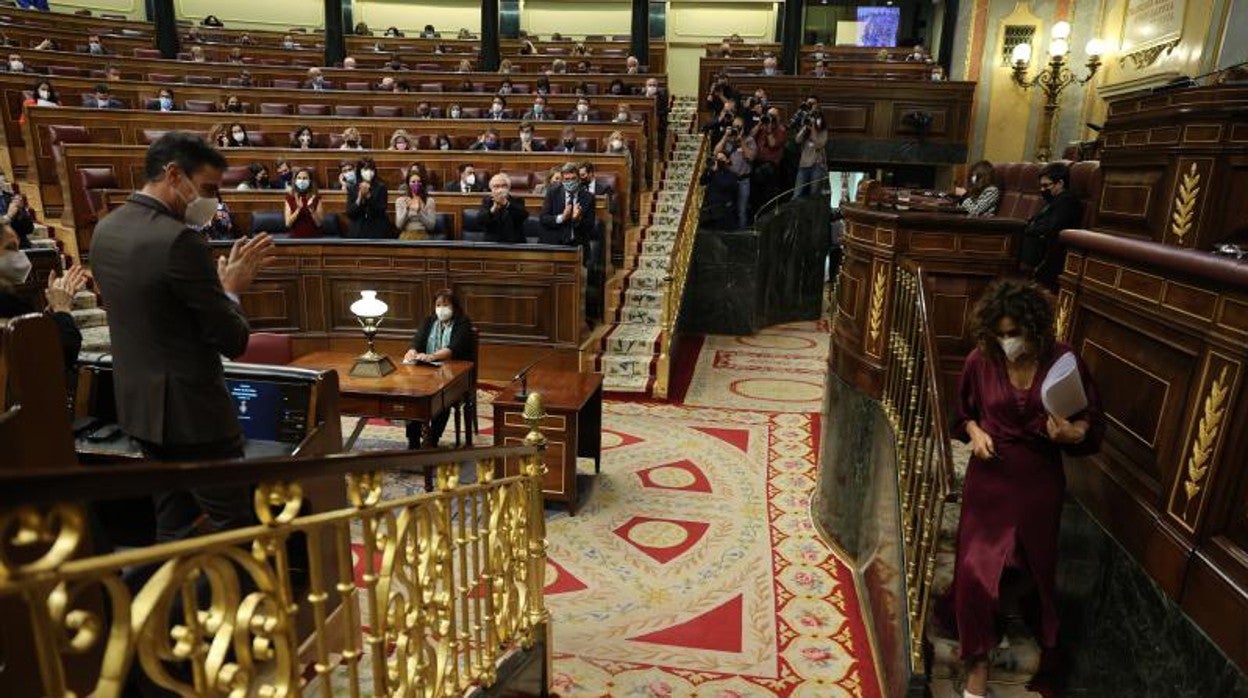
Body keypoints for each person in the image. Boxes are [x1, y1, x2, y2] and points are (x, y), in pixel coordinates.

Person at [90, 131, 275, 543]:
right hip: (193, 417)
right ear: (174, 175)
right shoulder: (179, 241)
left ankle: (177, 604)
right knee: (236, 529)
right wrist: (231, 288)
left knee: (172, 521)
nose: (214, 201)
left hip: (141, 410)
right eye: (208, 189)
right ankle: (246, 604)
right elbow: (232, 339)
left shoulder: (107, 229)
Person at [950, 279, 1101, 698]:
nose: (1006, 342)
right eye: (999, 334)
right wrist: (975, 432)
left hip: (1039, 478)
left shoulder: (1064, 359)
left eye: (1014, 333)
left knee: (1028, 567)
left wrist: (1073, 432)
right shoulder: (981, 360)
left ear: (1035, 328)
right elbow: (961, 416)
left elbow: (1089, 423)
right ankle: (977, 668)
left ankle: (1001, 612)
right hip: (990, 478)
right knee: (976, 572)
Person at [0, 222, 85, 381]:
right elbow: (61, 352)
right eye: (11, 248)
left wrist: (51, 311)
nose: (19, 256)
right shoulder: (4, 301)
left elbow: (28, 334)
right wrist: (62, 309)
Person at [403, 289, 474, 449]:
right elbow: (417, 341)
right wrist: (412, 350)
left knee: (442, 399)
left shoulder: (463, 323)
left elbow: (453, 349)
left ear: (454, 307)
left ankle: (432, 439)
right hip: (427, 372)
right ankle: (413, 441)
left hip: (455, 375)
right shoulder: (429, 321)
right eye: (438, 305)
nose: (441, 308)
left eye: (446, 304)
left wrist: (432, 356)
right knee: (413, 397)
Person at [1019, 163, 1082, 288]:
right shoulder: (1054, 200)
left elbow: (1052, 227)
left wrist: (1030, 229)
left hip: (1050, 254)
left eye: (1046, 185)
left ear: (1060, 183)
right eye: (1041, 186)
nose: (1042, 190)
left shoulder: (1067, 201)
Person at [539, 162, 595, 247]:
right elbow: (544, 218)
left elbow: (590, 226)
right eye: (567, 179)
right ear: (562, 180)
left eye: (573, 178)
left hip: (577, 244)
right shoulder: (553, 192)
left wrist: (577, 219)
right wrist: (562, 217)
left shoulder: (588, 197)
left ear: (579, 179)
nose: (570, 182)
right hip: (554, 244)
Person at [715, 115, 755, 229]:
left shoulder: (749, 140)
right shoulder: (728, 140)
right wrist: (725, 136)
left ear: (743, 128)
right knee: (728, 209)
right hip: (728, 181)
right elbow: (716, 152)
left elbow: (750, 157)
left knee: (742, 210)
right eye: (734, 126)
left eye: (739, 127)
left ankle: (742, 236)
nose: (736, 129)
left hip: (743, 181)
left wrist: (741, 140)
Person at [345, 158, 391, 238]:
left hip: (376, 227)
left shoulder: (381, 187)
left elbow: (381, 210)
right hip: (358, 228)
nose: (368, 172)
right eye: (366, 169)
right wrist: (359, 198)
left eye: (371, 169)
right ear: (360, 170)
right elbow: (350, 213)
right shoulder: (353, 188)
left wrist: (369, 197)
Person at [480, 173, 528, 244]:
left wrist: (506, 204)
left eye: (503, 186)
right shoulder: (487, 201)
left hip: (515, 243)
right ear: (491, 189)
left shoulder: (518, 200)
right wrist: (493, 209)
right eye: (496, 186)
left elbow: (523, 215)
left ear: (509, 188)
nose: (500, 190)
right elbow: (480, 221)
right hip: (492, 243)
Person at [395, 165, 437, 240]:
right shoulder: (400, 201)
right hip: (406, 235)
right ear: (408, 184)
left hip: (423, 236)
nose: (416, 184)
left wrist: (419, 212)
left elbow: (431, 226)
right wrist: (406, 210)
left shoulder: (430, 201)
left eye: (419, 182)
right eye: (413, 182)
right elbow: (399, 225)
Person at [700, 150, 740, 230]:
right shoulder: (712, 172)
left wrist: (715, 172)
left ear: (728, 160)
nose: (718, 161)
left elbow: (724, 185)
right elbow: (702, 181)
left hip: (724, 211)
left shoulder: (732, 174)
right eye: (717, 159)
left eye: (721, 159)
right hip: (711, 210)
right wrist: (708, 170)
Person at [794, 109, 828, 197]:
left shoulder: (823, 132)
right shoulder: (806, 131)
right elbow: (797, 140)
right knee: (797, 193)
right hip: (804, 165)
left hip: (817, 165)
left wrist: (813, 129)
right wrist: (805, 128)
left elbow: (819, 145)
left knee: (814, 194)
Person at [284, 168, 325, 238]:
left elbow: (319, 224)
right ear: (295, 181)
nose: (302, 181)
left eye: (305, 178)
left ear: (310, 181)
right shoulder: (290, 198)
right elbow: (288, 224)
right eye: (299, 178)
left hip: (314, 238)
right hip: (295, 239)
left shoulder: (316, 197)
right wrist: (298, 209)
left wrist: (312, 210)